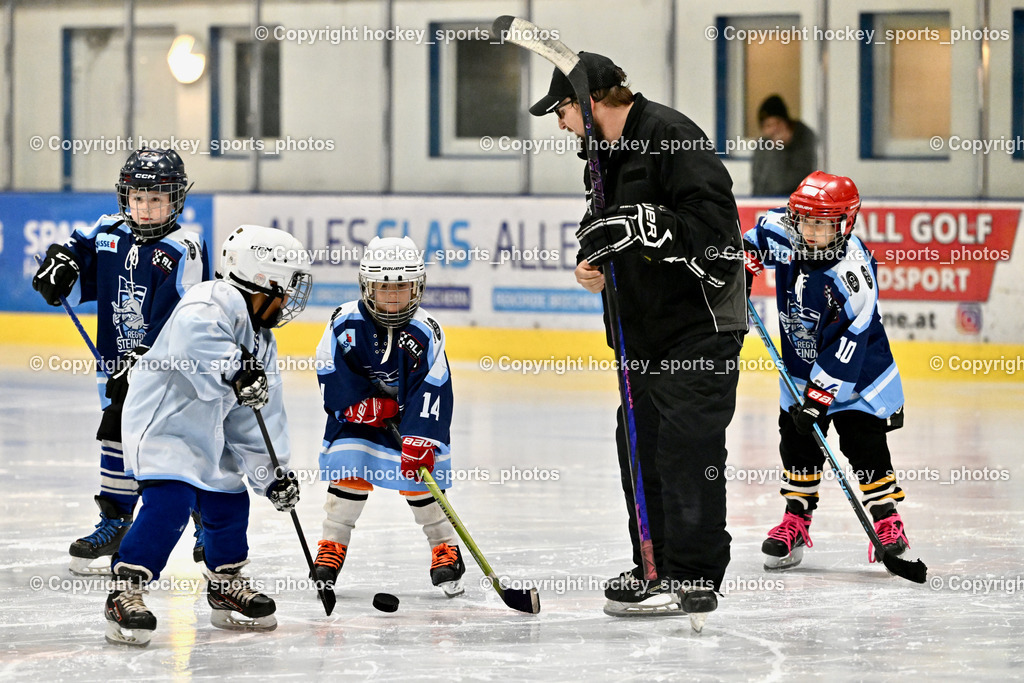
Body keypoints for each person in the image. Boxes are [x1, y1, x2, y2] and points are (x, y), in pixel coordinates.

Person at [529, 52, 747, 618]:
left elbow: (718, 233)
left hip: (700, 326)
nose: (561, 124)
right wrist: (589, 261)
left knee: (686, 447)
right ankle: (654, 566)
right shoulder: (599, 158)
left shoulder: (673, 136)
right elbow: (599, 227)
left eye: (563, 110)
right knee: (640, 446)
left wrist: (652, 228)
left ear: (592, 102)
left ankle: (696, 573)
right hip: (641, 332)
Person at [103, 224, 310, 647]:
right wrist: (234, 370)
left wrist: (271, 475)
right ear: (263, 279)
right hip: (164, 429)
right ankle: (126, 589)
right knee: (170, 505)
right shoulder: (209, 301)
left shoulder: (262, 340)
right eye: (285, 289)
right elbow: (195, 346)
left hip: (207, 436)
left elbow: (256, 418)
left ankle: (225, 583)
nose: (288, 301)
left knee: (229, 501)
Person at [31, 148, 211, 575]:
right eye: (136, 197)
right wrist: (60, 267)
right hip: (113, 365)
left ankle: (207, 521)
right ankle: (115, 521)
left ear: (175, 200)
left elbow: (184, 317)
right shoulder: (108, 229)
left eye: (156, 199)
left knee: (178, 447)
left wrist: (145, 360)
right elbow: (77, 249)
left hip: (171, 372)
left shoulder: (184, 247)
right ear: (123, 197)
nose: (145, 208)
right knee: (117, 436)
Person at [743, 171, 910, 571]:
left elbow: (848, 345)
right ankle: (796, 519)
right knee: (798, 446)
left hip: (859, 377)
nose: (811, 230)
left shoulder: (854, 276)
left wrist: (819, 398)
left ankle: (888, 521)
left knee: (864, 445)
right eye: (805, 220)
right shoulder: (786, 230)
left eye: (822, 223)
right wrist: (745, 264)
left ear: (844, 223)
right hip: (801, 369)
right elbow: (754, 238)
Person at [311, 236, 465, 598]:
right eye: (384, 288)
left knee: (419, 478)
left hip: (409, 420)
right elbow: (328, 366)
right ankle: (332, 544)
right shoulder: (344, 320)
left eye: (403, 288)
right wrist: (358, 404)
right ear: (367, 286)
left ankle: (445, 547)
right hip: (359, 419)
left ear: (418, 287)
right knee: (349, 467)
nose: (393, 297)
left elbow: (434, 384)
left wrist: (420, 436)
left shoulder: (427, 330)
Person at [750, 95, 817, 197]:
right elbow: (757, 182)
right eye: (768, 126)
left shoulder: (803, 138)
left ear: (786, 123)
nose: (773, 130)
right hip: (764, 204)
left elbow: (781, 184)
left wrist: (779, 149)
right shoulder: (763, 143)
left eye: (777, 123)